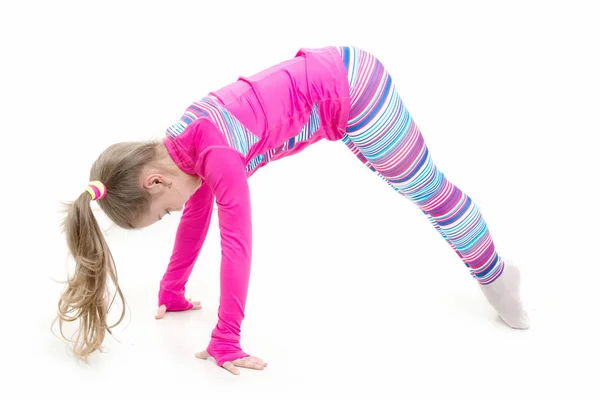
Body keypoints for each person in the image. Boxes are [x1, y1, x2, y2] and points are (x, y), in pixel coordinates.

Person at [56, 46, 529, 375]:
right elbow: (199, 210)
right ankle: (493, 273)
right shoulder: (181, 143)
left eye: (160, 213)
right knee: (416, 185)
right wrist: (173, 287)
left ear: (154, 181)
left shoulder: (215, 154)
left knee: (428, 190)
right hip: (336, 80)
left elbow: (236, 244)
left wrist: (226, 338)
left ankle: (496, 276)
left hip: (357, 93)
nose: (172, 216)